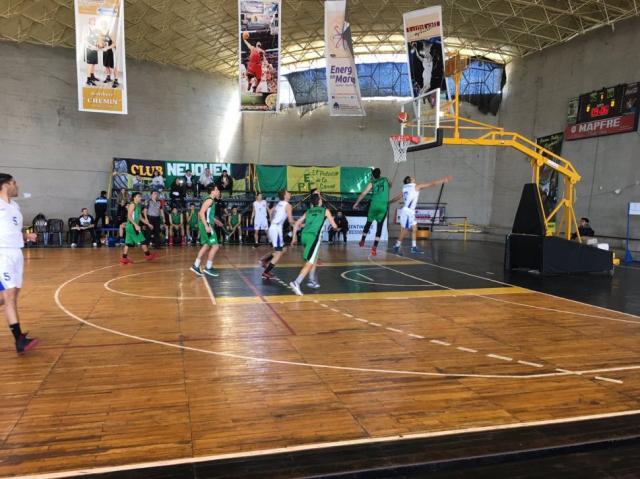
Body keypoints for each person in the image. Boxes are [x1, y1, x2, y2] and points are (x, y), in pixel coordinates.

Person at [0, 174, 39, 353]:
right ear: (5, 185)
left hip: (16, 253)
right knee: (9, 296)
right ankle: (19, 340)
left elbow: (11, 231)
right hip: (2, 254)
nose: (17, 186)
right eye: (14, 183)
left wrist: (26, 236)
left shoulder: (14, 206)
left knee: (11, 294)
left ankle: (19, 337)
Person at [288, 194, 338, 296]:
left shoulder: (308, 211)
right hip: (313, 238)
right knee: (310, 261)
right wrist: (335, 227)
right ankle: (296, 282)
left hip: (304, 236)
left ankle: (311, 280)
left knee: (314, 258)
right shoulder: (325, 211)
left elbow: (297, 223)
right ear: (319, 201)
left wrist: (294, 237)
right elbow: (334, 225)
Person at [391, 175, 451, 255]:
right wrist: (442, 180)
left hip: (409, 211)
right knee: (405, 230)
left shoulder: (405, 187)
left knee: (414, 228)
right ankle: (397, 246)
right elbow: (431, 184)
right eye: (412, 178)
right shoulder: (416, 186)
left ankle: (414, 247)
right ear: (410, 180)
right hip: (408, 212)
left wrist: (390, 202)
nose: (414, 178)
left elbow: (398, 197)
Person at [354, 168, 390, 256]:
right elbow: (390, 184)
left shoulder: (372, 183)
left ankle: (362, 240)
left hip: (374, 205)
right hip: (383, 206)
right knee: (379, 227)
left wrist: (356, 203)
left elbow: (363, 194)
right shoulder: (386, 180)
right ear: (380, 173)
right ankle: (374, 248)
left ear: (373, 175)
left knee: (368, 223)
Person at [190, 185, 224, 277]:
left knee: (206, 245)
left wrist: (216, 221)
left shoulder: (211, 200)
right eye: (216, 189)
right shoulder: (209, 200)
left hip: (206, 224)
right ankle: (208, 267)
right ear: (212, 192)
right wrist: (206, 226)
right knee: (215, 246)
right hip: (207, 225)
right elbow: (201, 213)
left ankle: (196, 265)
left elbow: (207, 214)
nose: (218, 191)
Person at [260, 190, 295, 280]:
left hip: (274, 227)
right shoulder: (288, 205)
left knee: (283, 249)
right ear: (285, 195)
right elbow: (291, 221)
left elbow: (271, 211)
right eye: (288, 193)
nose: (290, 194)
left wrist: (271, 220)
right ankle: (265, 272)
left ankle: (265, 260)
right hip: (276, 230)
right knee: (278, 253)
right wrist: (300, 224)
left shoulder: (279, 203)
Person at [120, 192, 157, 264]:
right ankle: (148, 255)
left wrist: (148, 224)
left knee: (128, 243)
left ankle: (124, 258)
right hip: (132, 226)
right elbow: (129, 216)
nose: (140, 198)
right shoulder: (132, 205)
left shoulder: (138, 206)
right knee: (142, 240)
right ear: (134, 198)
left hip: (130, 226)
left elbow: (141, 218)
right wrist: (136, 225)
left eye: (140, 196)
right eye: (139, 196)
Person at [84, 17, 101, 86]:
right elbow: (84, 40)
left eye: (94, 20)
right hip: (89, 49)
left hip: (94, 48)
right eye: (92, 20)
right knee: (90, 64)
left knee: (93, 63)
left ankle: (92, 76)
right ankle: (88, 80)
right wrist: (91, 46)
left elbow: (97, 39)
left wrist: (97, 45)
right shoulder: (87, 28)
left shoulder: (95, 29)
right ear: (89, 21)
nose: (93, 21)